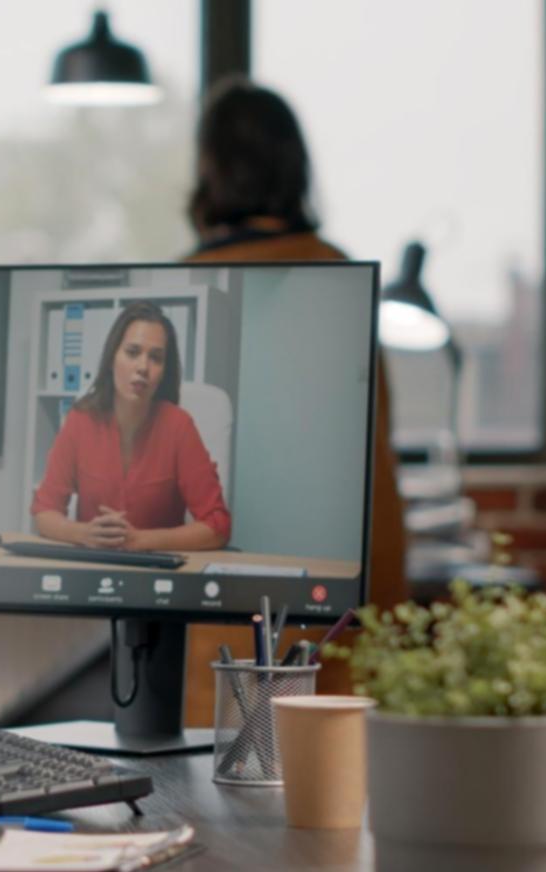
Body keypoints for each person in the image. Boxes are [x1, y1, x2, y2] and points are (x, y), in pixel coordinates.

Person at [178, 77, 410, 717]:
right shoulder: (338, 275)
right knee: (329, 792)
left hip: (214, 612)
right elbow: (375, 473)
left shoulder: (184, 284)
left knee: (217, 776)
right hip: (335, 605)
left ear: (210, 169)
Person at [32, 301, 231, 552]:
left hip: (158, 574)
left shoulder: (179, 427)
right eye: (132, 352)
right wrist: (83, 533)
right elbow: (44, 511)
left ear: (164, 371)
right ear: (112, 357)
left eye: (156, 358)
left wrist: (140, 540)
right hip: (93, 566)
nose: (143, 368)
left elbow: (218, 526)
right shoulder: (80, 420)